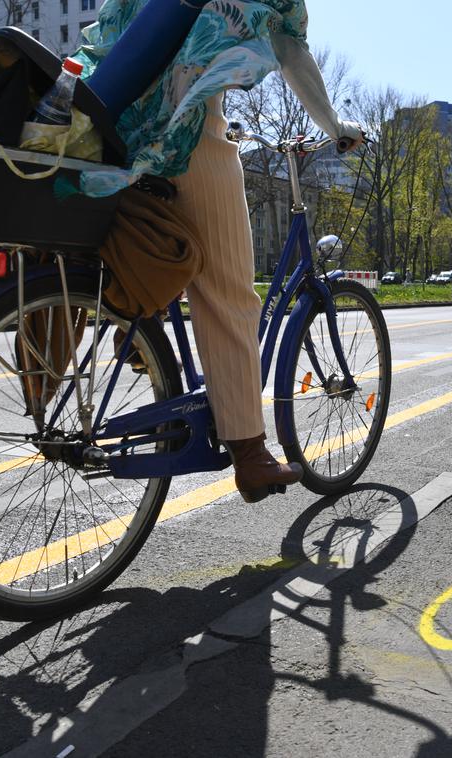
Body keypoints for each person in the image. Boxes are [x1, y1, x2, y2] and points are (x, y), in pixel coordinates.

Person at [73, 0, 364, 503]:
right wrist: (335, 127)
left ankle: (136, 330)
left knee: (147, 241)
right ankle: (250, 455)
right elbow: (290, 49)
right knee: (228, 293)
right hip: (186, 120)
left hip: (103, 118)